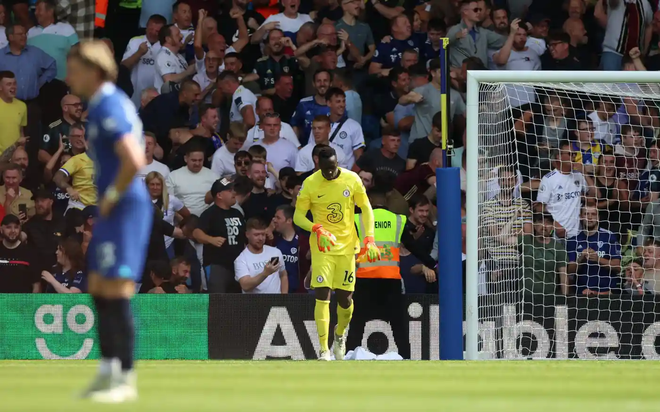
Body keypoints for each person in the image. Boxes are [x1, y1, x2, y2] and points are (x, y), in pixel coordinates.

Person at [66, 40, 153, 402]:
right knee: (99, 287)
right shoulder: (101, 104)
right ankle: (107, 371)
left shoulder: (109, 103)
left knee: (116, 291)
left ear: (94, 70)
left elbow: (135, 158)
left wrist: (113, 196)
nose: (69, 77)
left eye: (73, 69)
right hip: (111, 206)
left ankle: (124, 378)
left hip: (124, 206)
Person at [293, 146, 380, 361]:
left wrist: (369, 238)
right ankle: (323, 349)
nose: (330, 172)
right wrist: (317, 228)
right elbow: (298, 216)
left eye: (333, 167)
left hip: (347, 247)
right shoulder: (311, 184)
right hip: (322, 247)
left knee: (345, 299)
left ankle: (339, 335)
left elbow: (366, 208)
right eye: (325, 169)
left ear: (337, 162)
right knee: (322, 294)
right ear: (318, 165)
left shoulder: (352, 180)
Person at [347, 189, 409, 359]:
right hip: (391, 280)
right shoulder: (397, 220)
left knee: (357, 323)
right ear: (386, 200)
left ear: (369, 199)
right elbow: (413, 245)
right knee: (398, 325)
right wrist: (431, 263)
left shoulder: (358, 219)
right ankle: (406, 357)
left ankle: (349, 355)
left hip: (365, 279)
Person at [193, 178, 246, 293]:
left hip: (238, 264)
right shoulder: (210, 213)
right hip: (217, 265)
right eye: (230, 190)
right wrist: (210, 239)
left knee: (237, 301)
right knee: (219, 301)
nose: (234, 193)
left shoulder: (237, 213)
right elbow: (196, 233)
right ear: (220, 195)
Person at [566, 205, 622, 296]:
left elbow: (617, 267)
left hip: (606, 292)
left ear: (598, 218)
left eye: (593, 214)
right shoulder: (573, 240)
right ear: (581, 217)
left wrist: (598, 259)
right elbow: (570, 271)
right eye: (586, 214)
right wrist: (580, 259)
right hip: (582, 292)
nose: (590, 217)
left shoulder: (609, 236)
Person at [121, 14, 167, 106]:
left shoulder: (166, 45)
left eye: (157, 31)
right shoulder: (135, 41)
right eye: (150, 29)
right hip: (134, 96)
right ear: (146, 27)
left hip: (157, 96)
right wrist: (139, 53)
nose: (153, 33)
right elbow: (123, 67)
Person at [235, 217, 288, 293]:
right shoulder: (241, 260)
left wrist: (284, 298)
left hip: (276, 303)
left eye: (263, 234)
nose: (261, 238)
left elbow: (283, 275)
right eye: (256, 235)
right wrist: (265, 273)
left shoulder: (275, 252)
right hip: (255, 303)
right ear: (247, 234)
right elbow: (245, 286)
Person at [166, 143, 219, 217]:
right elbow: (169, 202)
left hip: (208, 219)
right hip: (182, 220)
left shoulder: (213, 176)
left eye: (200, 160)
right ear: (185, 159)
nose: (197, 163)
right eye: (194, 160)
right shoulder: (173, 176)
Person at [146, 171, 190, 257]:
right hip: (146, 245)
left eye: (158, 184)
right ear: (147, 185)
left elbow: (188, 216)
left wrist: (179, 227)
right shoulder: (139, 202)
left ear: (162, 186)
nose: (155, 187)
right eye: (152, 184)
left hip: (167, 244)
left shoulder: (171, 200)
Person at [22, 188, 65, 271]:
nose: (39, 204)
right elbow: (21, 237)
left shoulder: (63, 222)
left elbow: (72, 245)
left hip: (59, 270)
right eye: (37, 201)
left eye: (42, 201)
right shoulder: (29, 224)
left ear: (51, 202)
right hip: (37, 271)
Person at [0, 214, 39, 293]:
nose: (13, 231)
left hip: (23, 303)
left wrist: (33, 304)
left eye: (16, 227)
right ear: (1, 229)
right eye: (8, 227)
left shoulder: (30, 252)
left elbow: (36, 285)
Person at [154, 24, 196, 93]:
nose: (181, 36)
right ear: (168, 39)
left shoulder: (179, 56)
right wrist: (188, 72)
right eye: (177, 34)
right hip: (168, 100)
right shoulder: (163, 56)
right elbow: (168, 80)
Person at [273, 204, 300, 293]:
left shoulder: (303, 242)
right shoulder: (273, 241)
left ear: (289, 221)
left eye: (278, 218)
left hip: (298, 294)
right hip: (276, 291)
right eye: (274, 217)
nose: (274, 220)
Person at [0, 71, 28, 155]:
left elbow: (21, 131)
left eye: (14, 84)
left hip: (15, 157)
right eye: (9, 84)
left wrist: (22, 151)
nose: (13, 87)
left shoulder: (22, 106)